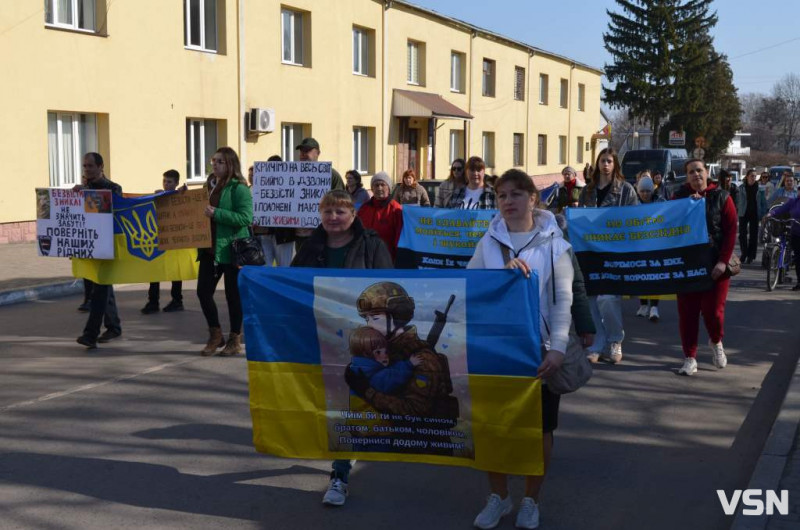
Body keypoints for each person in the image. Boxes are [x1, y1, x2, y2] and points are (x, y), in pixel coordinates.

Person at [467, 169, 574, 530]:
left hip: (538, 352)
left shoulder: (554, 244)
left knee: (538, 431)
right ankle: (498, 496)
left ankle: (531, 499)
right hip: (496, 351)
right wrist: (501, 278)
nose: (507, 202)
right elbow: (470, 288)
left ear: (533, 198)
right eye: (501, 196)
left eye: (515, 194)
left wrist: (557, 349)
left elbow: (563, 301)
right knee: (492, 427)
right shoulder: (489, 242)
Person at [290, 190, 393, 507]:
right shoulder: (311, 245)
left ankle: (340, 474)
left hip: (360, 338)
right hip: (320, 334)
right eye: (328, 211)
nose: (333, 217)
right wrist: (255, 275)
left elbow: (388, 287)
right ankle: (343, 458)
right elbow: (290, 282)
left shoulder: (371, 244)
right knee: (329, 401)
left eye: (340, 211)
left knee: (346, 402)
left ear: (353, 214)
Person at [672, 159, 737, 375]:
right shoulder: (679, 197)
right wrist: (686, 208)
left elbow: (731, 231)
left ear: (707, 172)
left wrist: (722, 261)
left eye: (699, 170)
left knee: (713, 313)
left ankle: (716, 342)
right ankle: (690, 358)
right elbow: (668, 225)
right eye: (691, 172)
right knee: (688, 314)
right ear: (687, 176)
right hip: (688, 267)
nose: (696, 175)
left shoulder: (722, 197)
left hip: (715, 267)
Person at [578, 147, 638, 364]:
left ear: (615, 165)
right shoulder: (587, 190)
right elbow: (581, 219)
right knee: (591, 298)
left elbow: (634, 219)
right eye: (602, 160)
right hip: (591, 252)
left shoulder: (626, 190)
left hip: (615, 252)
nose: (605, 164)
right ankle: (597, 343)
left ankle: (615, 340)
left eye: (609, 161)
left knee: (608, 298)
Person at [197, 147, 253, 356]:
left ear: (230, 164)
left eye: (220, 161)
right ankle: (215, 334)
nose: (215, 165)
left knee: (233, 296)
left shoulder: (239, 188)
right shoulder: (209, 186)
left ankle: (234, 339)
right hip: (210, 250)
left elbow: (246, 218)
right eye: (213, 161)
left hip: (232, 249)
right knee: (203, 292)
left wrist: (217, 213)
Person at [74, 153, 123, 350]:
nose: (87, 169)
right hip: (88, 247)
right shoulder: (82, 189)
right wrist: (74, 196)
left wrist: (90, 196)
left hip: (107, 246)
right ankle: (114, 326)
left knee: (100, 289)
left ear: (101, 166)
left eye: (90, 166)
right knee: (100, 287)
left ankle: (90, 334)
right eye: (85, 166)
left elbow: (116, 214)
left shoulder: (113, 188)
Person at [141, 169, 185, 314]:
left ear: (176, 183)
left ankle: (177, 300)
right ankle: (153, 301)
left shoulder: (181, 196)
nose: (166, 184)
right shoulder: (158, 194)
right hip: (158, 237)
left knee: (175, 271)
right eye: (164, 181)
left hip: (175, 238)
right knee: (155, 269)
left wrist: (182, 194)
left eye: (169, 182)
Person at [294, 137, 346, 252]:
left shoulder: (331, 175)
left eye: (307, 151)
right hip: (300, 235)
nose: (303, 154)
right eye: (301, 151)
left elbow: (342, 203)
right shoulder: (291, 175)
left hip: (324, 233)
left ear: (317, 153)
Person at [251, 155, 296, 267]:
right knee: (266, 266)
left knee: (283, 267)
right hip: (264, 231)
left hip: (284, 233)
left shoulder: (291, 186)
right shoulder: (259, 187)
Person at [349, 326, 423, 394]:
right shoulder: (374, 376)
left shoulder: (362, 368)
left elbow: (389, 371)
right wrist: (409, 364)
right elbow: (393, 377)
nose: (385, 355)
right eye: (378, 352)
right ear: (365, 354)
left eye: (386, 351)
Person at [634, 177, 665, 322]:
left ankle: (654, 306)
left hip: (656, 244)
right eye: (642, 191)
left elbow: (672, 212)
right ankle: (643, 305)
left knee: (654, 276)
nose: (645, 194)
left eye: (648, 191)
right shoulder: (633, 203)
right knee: (641, 276)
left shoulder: (660, 202)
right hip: (639, 245)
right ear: (638, 191)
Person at [356, 172, 404, 261]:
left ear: (389, 188)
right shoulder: (364, 208)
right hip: (365, 256)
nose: (379, 188)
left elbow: (399, 237)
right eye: (376, 185)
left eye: (383, 185)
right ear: (372, 189)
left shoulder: (395, 209)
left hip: (387, 257)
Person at [735, 170, 765, 264]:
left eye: (755, 176)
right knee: (742, 235)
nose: (753, 178)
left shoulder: (760, 189)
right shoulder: (741, 187)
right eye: (752, 176)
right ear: (747, 176)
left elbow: (763, 203)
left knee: (753, 235)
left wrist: (763, 214)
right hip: (743, 213)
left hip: (755, 213)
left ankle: (751, 255)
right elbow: (737, 200)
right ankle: (744, 253)